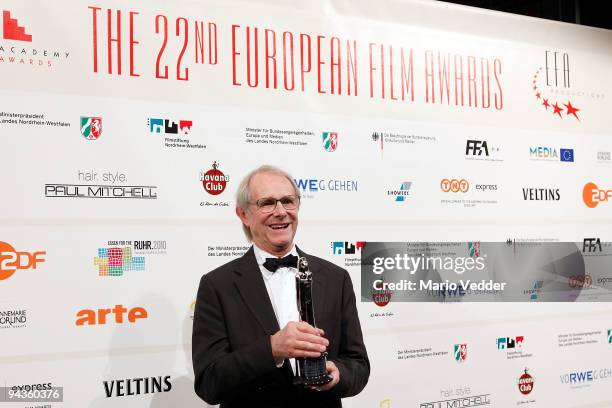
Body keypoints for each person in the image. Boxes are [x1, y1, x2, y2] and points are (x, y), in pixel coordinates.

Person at [192, 165, 369, 407]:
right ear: (243, 214)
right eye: (266, 203)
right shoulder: (218, 285)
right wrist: (272, 349)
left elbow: (358, 365)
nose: (280, 212)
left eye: (288, 201)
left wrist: (339, 374)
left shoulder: (336, 278)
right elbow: (209, 383)